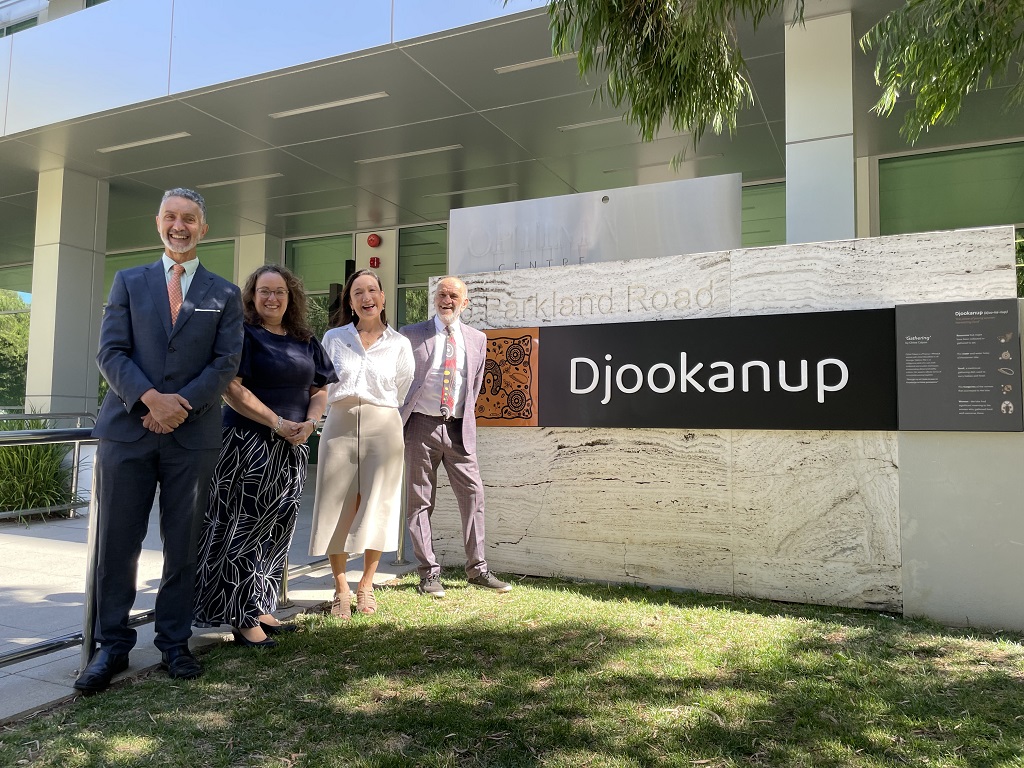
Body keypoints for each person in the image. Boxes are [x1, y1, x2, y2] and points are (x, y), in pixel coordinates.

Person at [75, 188, 243, 694]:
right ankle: (112, 647)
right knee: (117, 544)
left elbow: (225, 363)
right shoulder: (128, 281)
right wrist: (150, 400)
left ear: (203, 228)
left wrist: (179, 406)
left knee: (183, 544)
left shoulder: (225, 294)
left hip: (191, 437)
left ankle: (174, 643)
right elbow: (111, 352)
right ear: (158, 223)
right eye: (171, 217)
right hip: (128, 432)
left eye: (189, 218)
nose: (179, 226)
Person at [193, 265, 337, 647]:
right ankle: (240, 616)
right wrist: (276, 422)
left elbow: (320, 387)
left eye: (279, 291)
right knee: (243, 529)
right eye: (263, 291)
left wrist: (309, 423)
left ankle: (260, 606)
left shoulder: (305, 339)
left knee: (277, 529)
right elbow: (231, 389)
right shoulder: (243, 335)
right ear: (252, 296)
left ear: (291, 297)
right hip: (248, 443)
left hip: (292, 446)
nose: (272, 298)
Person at [308, 269, 414, 618]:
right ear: (351, 302)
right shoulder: (334, 337)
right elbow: (321, 383)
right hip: (338, 423)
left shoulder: (399, 344)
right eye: (358, 293)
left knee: (377, 504)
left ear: (383, 297)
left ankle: (366, 585)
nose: (366, 297)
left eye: (372, 290)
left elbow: (400, 389)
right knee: (335, 504)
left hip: (383, 423)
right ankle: (340, 588)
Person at [400, 276, 512, 598]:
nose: (446, 300)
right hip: (420, 426)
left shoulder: (478, 339)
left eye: (453, 296)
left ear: (465, 304)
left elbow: (473, 387)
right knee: (420, 501)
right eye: (441, 294)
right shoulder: (411, 335)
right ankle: (428, 574)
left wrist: (460, 416)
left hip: (459, 427)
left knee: (474, 495)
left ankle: (477, 570)